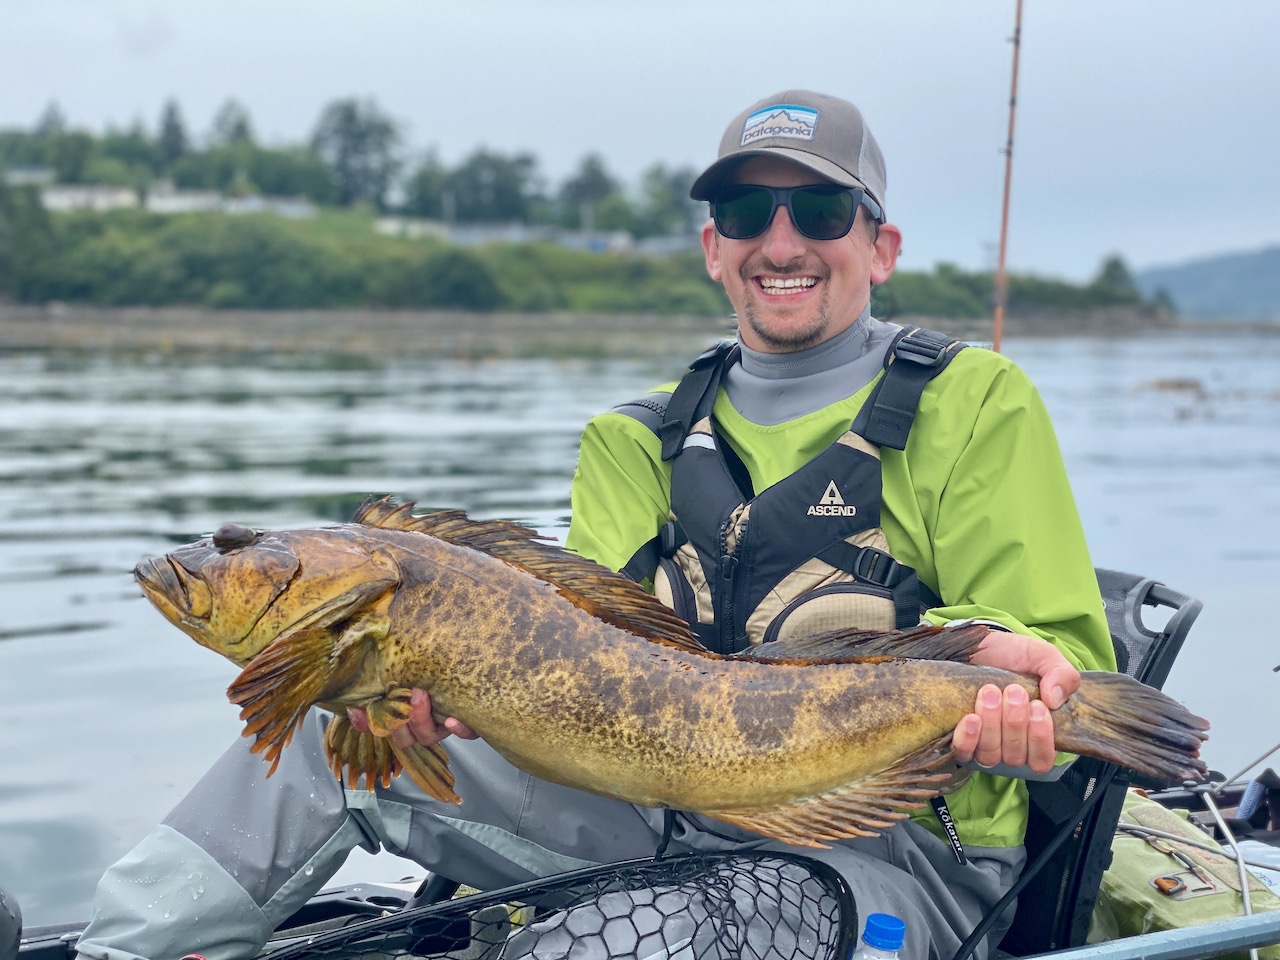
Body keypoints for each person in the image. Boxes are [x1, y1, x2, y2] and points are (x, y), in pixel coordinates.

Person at [74, 90, 1114, 960]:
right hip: (644, 802)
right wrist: (445, 699)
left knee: (625, 935)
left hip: (886, 851)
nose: (780, 241)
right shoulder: (631, 438)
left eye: (822, 211)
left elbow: (1061, 656)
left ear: (878, 245)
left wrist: (1002, 678)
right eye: (747, 212)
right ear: (713, 247)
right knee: (316, 733)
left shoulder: (975, 401)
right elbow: (588, 656)